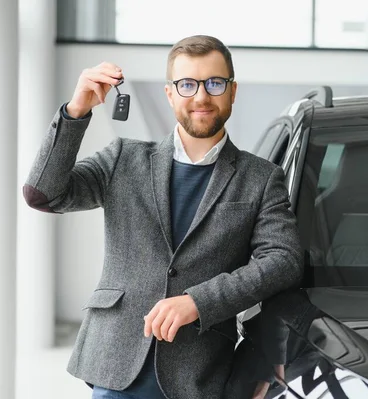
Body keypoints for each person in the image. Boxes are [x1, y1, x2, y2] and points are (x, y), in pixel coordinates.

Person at [23, 35, 303, 399]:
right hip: (116, 366)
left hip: (198, 374)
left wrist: (199, 301)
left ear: (232, 92)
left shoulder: (261, 178)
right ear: (170, 94)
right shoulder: (123, 158)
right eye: (187, 84)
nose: (201, 96)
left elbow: (283, 260)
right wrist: (75, 112)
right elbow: (44, 194)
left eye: (214, 83)